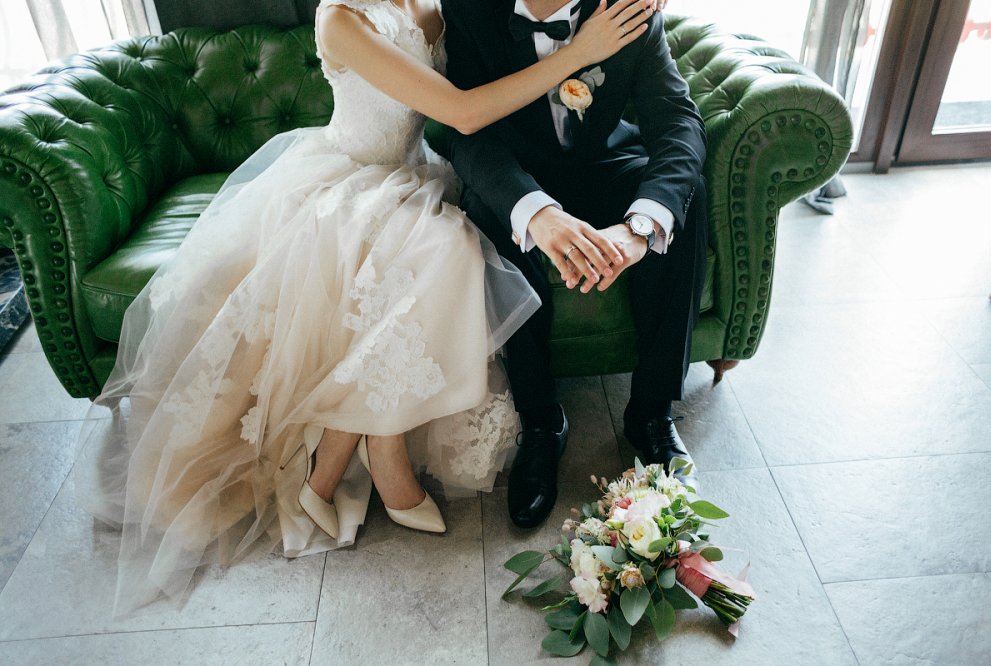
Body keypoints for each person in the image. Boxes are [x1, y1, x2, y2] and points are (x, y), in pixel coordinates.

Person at [75, 0, 659, 612]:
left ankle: (345, 455)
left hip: (415, 178)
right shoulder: (342, 19)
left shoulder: (435, 3)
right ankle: (376, 451)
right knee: (447, 251)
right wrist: (579, 53)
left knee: (447, 246)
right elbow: (462, 112)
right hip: (348, 183)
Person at [441, 0, 708, 528]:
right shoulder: (470, 10)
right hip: (520, 171)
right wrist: (535, 212)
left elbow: (678, 120)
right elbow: (466, 134)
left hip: (605, 164)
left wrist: (639, 228)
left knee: (684, 198)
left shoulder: (630, 9)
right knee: (487, 215)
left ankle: (651, 414)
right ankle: (541, 424)